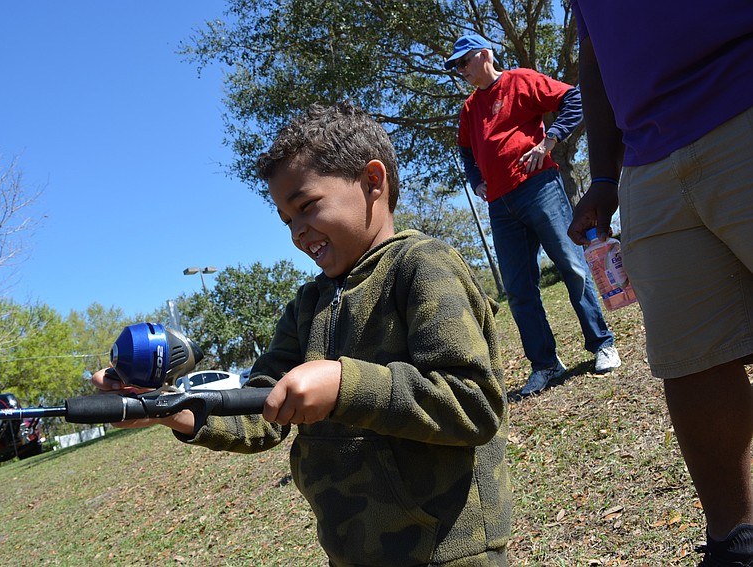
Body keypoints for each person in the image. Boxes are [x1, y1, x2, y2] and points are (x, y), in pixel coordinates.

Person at [92, 101, 512, 566]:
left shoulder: (421, 266)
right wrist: (163, 408)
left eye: (306, 206)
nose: (296, 232)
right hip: (353, 552)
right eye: (286, 219)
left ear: (373, 181)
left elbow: (473, 403)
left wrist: (343, 385)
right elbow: (262, 408)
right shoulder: (307, 305)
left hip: (447, 550)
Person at [566, 3, 753, 565]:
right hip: (647, 165)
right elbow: (594, 57)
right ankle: (735, 541)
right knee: (691, 359)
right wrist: (604, 176)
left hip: (742, 101)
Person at [445, 34, 620, 397]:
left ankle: (602, 344)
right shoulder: (468, 109)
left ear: (484, 54)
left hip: (538, 187)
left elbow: (573, 98)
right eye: (456, 67)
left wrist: (549, 140)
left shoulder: (521, 80)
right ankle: (545, 365)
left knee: (572, 267)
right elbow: (464, 150)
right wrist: (477, 180)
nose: (460, 71)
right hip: (500, 205)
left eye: (463, 62)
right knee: (519, 289)